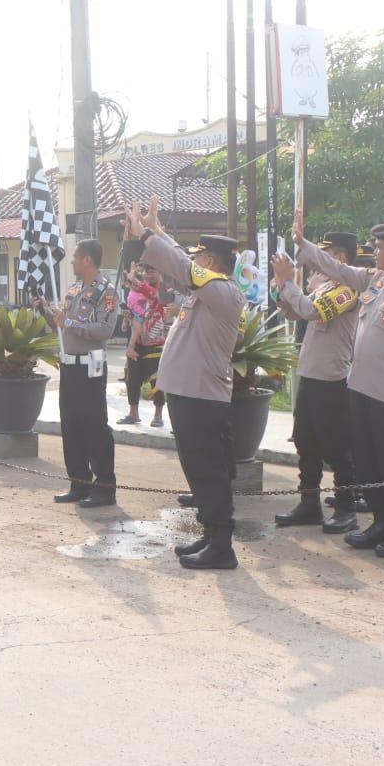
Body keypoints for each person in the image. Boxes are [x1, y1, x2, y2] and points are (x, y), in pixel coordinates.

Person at [294, 214, 384, 558]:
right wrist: (304, 245)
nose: (374, 252)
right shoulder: (376, 281)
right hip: (360, 391)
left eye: (380, 247)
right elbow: (338, 269)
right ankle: (380, 522)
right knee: (369, 460)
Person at [128, 199, 245, 570]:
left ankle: (221, 545)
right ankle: (211, 535)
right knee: (197, 468)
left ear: (211, 263)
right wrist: (159, 230)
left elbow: (181, 264)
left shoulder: (224, 292)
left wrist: (147, 235)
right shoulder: (207, 292)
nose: (196, 263)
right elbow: (182, 261)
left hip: (202, 397)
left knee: (209, 470)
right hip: (188, 393)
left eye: (202, 259)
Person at [270, 232, 361, 529]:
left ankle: (346, 509)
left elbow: (311, 311)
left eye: (325, 254)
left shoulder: (347, 289)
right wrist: (280, 288)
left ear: (341, 258)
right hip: (311, 374)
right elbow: (297, 311)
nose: (317, 261)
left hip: (332, 379)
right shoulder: (325, 287)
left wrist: (288, 283)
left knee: (337, 447)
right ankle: (309, 504)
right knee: (305, 443)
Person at [38, 238, 120, 508]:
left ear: (87, 260)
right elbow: (62, 328)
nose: (71, 261)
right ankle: (79, 482)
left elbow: (105, 330)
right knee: (71, 426)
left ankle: (104, 488)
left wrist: (71, 322)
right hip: (70, 366)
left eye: (75, 257)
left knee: (94, 426)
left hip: (91, 367)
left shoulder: (106, 292)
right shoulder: (73, 290)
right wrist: (47, 311)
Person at [119, 263, 170, 427]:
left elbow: (153, 295)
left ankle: (158, 415)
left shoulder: (164, 290)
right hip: (137, 342)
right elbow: (133, 310)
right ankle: (133, 413)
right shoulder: (138, 290)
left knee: (157, 380)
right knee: (131, 378)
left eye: (152, 271)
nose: (148, 275)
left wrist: (134, 279)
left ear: (160, 272)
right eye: (146, 272)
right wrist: (127, 318)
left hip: (156, 342)